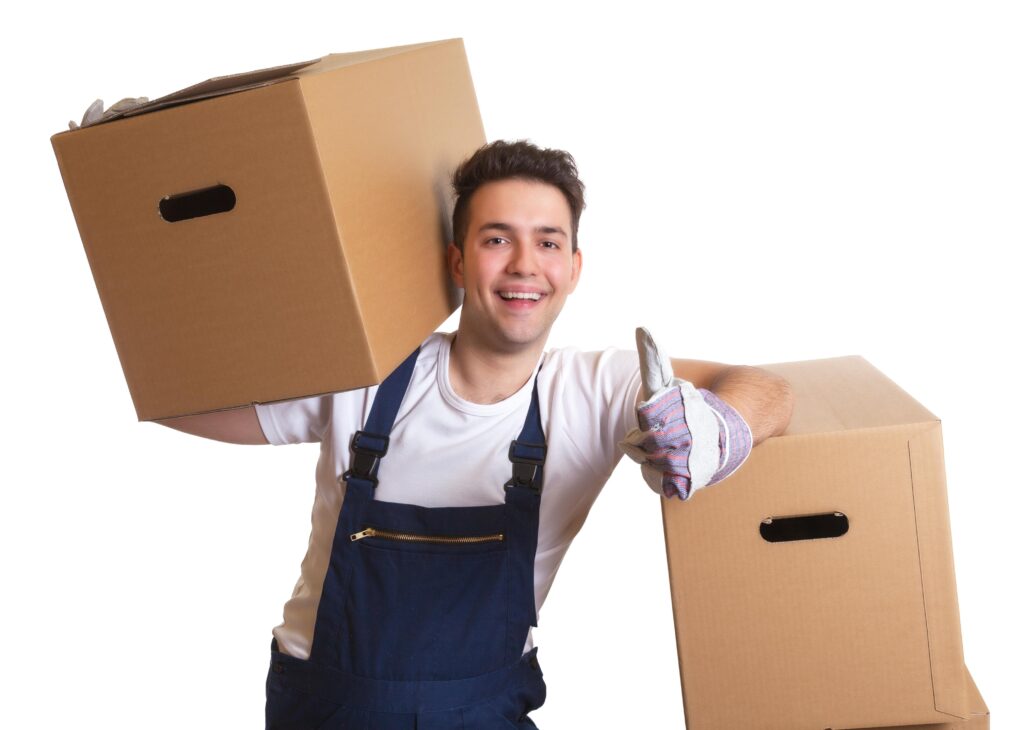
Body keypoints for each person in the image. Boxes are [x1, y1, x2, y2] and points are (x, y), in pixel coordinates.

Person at [157, 140, 794, 728]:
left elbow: (769, 389)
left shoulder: (595, 387)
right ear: (458, 261)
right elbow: (179, 398)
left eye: (548, 243)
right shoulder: (369, 372)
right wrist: (137, 209)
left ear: (574, 268)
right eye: (497, 239)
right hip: (325, 709)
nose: (524, 265)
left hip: (481, 713)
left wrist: (714, 431)